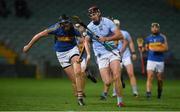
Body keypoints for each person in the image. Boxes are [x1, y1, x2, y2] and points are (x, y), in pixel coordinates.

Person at [23, 14, 86, 106]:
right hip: (61, 55)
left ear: (69, 22)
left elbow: (84, 40)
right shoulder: (55, 28)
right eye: (63, 24)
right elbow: (39, 35)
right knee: (74, 80)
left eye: (67, 23)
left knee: (78, 72)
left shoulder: (74, 29)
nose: (65, 25)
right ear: (60, 24)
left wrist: (84, 37)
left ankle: (80, 97)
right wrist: (28, 46)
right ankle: (78, 92)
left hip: (73, 50)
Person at [86, 6, 124, 107]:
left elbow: (120, 36)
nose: (93, 16)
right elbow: (86, 40)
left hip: (112, 52)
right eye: (91, 15)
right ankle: (108, 88)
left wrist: (106, 39)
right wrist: (88, 53)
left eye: (94, 14)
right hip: (101, 55)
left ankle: (120, 101)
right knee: (107, 82)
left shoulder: (108, 22)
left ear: (99, 13)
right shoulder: (89, 27)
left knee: (116, 76)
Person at [111, 19, 139, 97]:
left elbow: (130, 42)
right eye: (114, 24)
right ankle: (115, 91)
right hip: (116, 56)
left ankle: (135, 91)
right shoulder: (110, 34)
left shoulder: (125, 33)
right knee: (116, 75)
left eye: (117, 24)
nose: (116, 26)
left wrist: (133, 53)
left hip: (126, 56)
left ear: (119, 25)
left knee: (130, 73)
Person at [144, 23, 168, 99]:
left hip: (160, 60)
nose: (155, 29)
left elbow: (166, 48)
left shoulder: (162, 37)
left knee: (159, 79)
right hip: (151, 60)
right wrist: (142, 48)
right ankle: (148, 93)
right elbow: (146, 49)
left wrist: (157, 49)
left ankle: (159, 90)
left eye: (156, 27)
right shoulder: (148, 38)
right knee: (150, 76)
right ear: (151, 28)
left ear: (158, 28)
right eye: (153, 27)